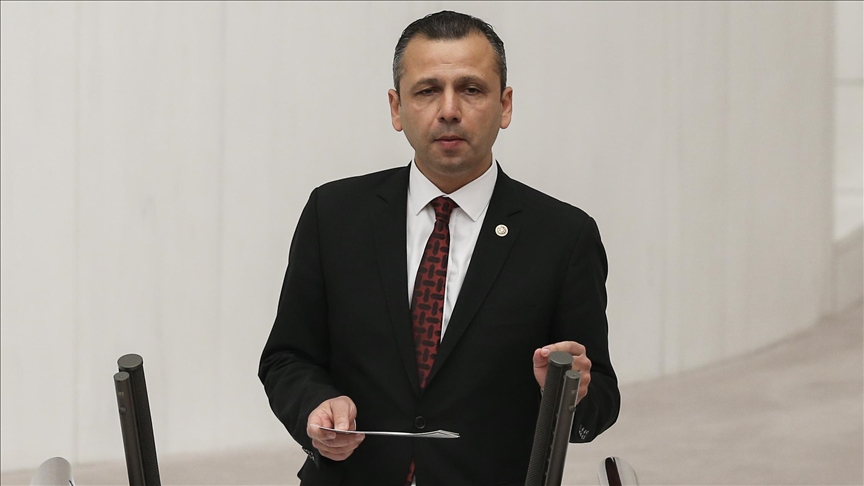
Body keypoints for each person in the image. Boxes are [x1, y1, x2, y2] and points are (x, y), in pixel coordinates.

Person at [259, 10, 620, 485]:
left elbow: (600, 403)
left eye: (471, 89)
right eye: (427, 90)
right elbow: (287, 357)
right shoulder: (334, 215)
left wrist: (566, 392)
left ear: (505, 105)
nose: (449, 109)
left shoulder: (563, 236)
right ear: (396, 108)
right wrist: (315, 406)